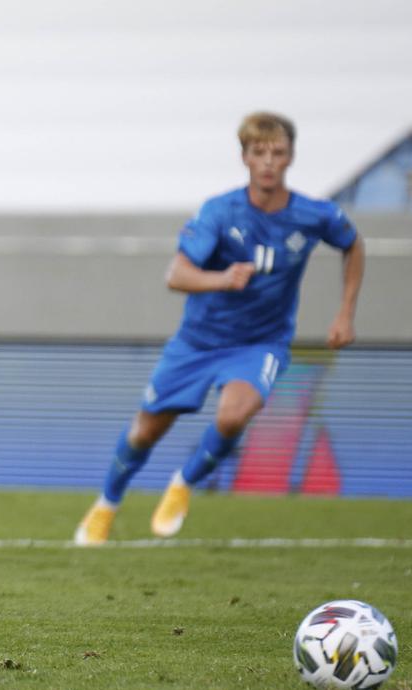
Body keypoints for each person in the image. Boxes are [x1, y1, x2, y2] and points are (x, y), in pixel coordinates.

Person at [73, 111, 365, 546]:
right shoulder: (219, 211)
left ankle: (183, 483)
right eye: (259, 152)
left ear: (290, 158)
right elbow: (176, 274)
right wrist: (222, 278)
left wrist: (345, 313)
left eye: (278, 153)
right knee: (145, 430)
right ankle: (106, 505)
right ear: (244, 157)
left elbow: (353, 244)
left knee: (233, 415)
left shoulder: (313, 214)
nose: (268, 161)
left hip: (261, 342)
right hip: (198, 340)